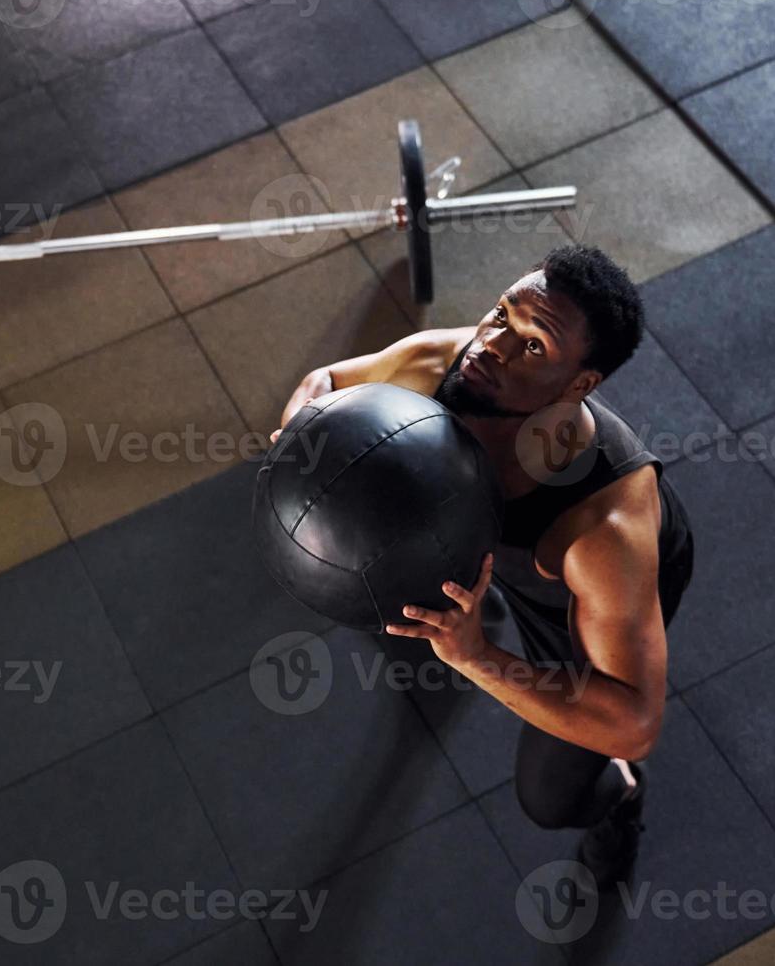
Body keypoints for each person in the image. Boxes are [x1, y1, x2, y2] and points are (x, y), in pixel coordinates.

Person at [272, 244, 694, 884]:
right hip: (491, 550)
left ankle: (622, 800)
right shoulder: (449, 364)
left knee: (548, 800)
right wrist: (309, 438)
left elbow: (636, 721)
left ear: (579, 385)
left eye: (534, 347)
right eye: (502, 315)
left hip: (570, 607)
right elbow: (326, 385)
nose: (494, 344)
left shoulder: (601, 532)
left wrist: (475, 657)